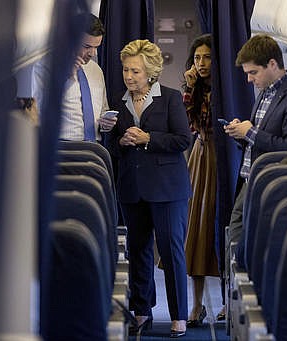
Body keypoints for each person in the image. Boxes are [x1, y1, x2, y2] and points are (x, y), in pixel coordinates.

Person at [106, 39, 191, 338]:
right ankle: (142, 311)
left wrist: (147, 138)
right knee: (138, 251)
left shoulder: (170, 99)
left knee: (170, 253)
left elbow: (183, 140)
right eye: (126, 70)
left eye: (136, 72)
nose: (129, 77)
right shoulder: (118, 102)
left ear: (151, 73)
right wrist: (121, 141)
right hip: (132, 187)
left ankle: (179, 315)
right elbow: (113, 148)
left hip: (168, 189)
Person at [224, 33, 287, 252]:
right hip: (248, 182)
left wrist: (251, 132)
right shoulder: (264, 93)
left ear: (272, 64)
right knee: (235, 244)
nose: (249, 79)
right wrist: (241, 133)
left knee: (247, 251)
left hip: (271, 187)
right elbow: (260, 139)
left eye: (253, 72)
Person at [182, 34, 225, 326]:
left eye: (207, 57)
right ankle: (197, 305)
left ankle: (226, 300)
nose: (201, 63)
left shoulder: (227, 90)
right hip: (200, 155)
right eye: (197, 58)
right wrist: (189, 88)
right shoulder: (195, 89)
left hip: (223, 157)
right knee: (196, 228)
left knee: (219, 226)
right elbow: (190, 125)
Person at [32, 13, 117, 141]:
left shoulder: (96, 70)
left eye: (96, 47)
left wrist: (106, 124)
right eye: (87, 46)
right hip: (61, 146)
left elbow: (103, 109)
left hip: (93, 149)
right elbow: (38, 111)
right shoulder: (45, 66)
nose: (92, 53)